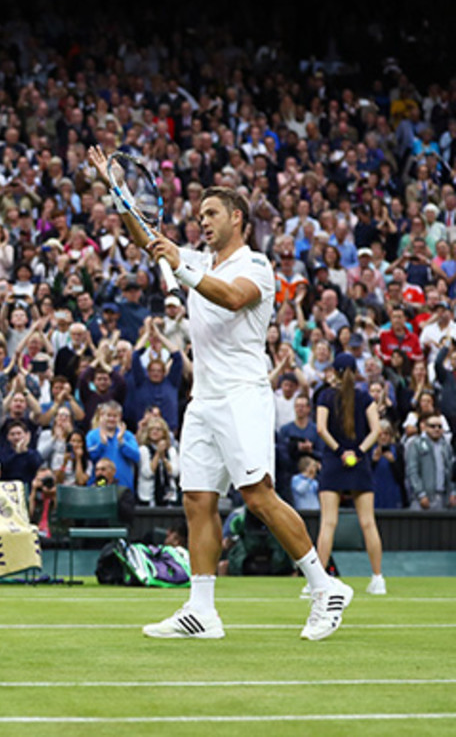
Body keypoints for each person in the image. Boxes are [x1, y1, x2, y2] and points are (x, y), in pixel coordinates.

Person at [90, 143, 354, 642]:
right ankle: (201, 610)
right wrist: (116, 188)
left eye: (211, 213)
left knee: (256, 495)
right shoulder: (196, 258)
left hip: (243, 394)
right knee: (197, 500)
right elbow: (146, 236)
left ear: (238, 218)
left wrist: (181, 264)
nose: (202, 222)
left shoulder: (255, 266)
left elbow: (231, 299)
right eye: (199, 215)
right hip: (205, 401)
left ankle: (325, 586)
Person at [315, 352, 386, 595]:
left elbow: (321, 429)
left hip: (334, 462)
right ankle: (378, 578)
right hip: (359, 462)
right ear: (355, 372)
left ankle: (318, 581)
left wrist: (340, 452)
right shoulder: (365, 397)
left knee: (328, 523)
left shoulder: (325, 396)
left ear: (334, 372)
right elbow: (376, 430)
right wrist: (357, 452)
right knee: (368, 523)